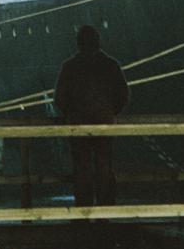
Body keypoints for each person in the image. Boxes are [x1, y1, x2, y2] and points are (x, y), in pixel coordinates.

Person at [54, 25, 129, 206]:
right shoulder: (111, 64)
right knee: (105, 165)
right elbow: (123, 94)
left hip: (78, 123)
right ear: (98, 41)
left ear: (78, 43)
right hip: (104, 122)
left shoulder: (70, 66)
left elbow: (59, 97)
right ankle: (106, 208)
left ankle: (83, 209)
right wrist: (110, 112)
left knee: (81, 167)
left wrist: (70, 114)